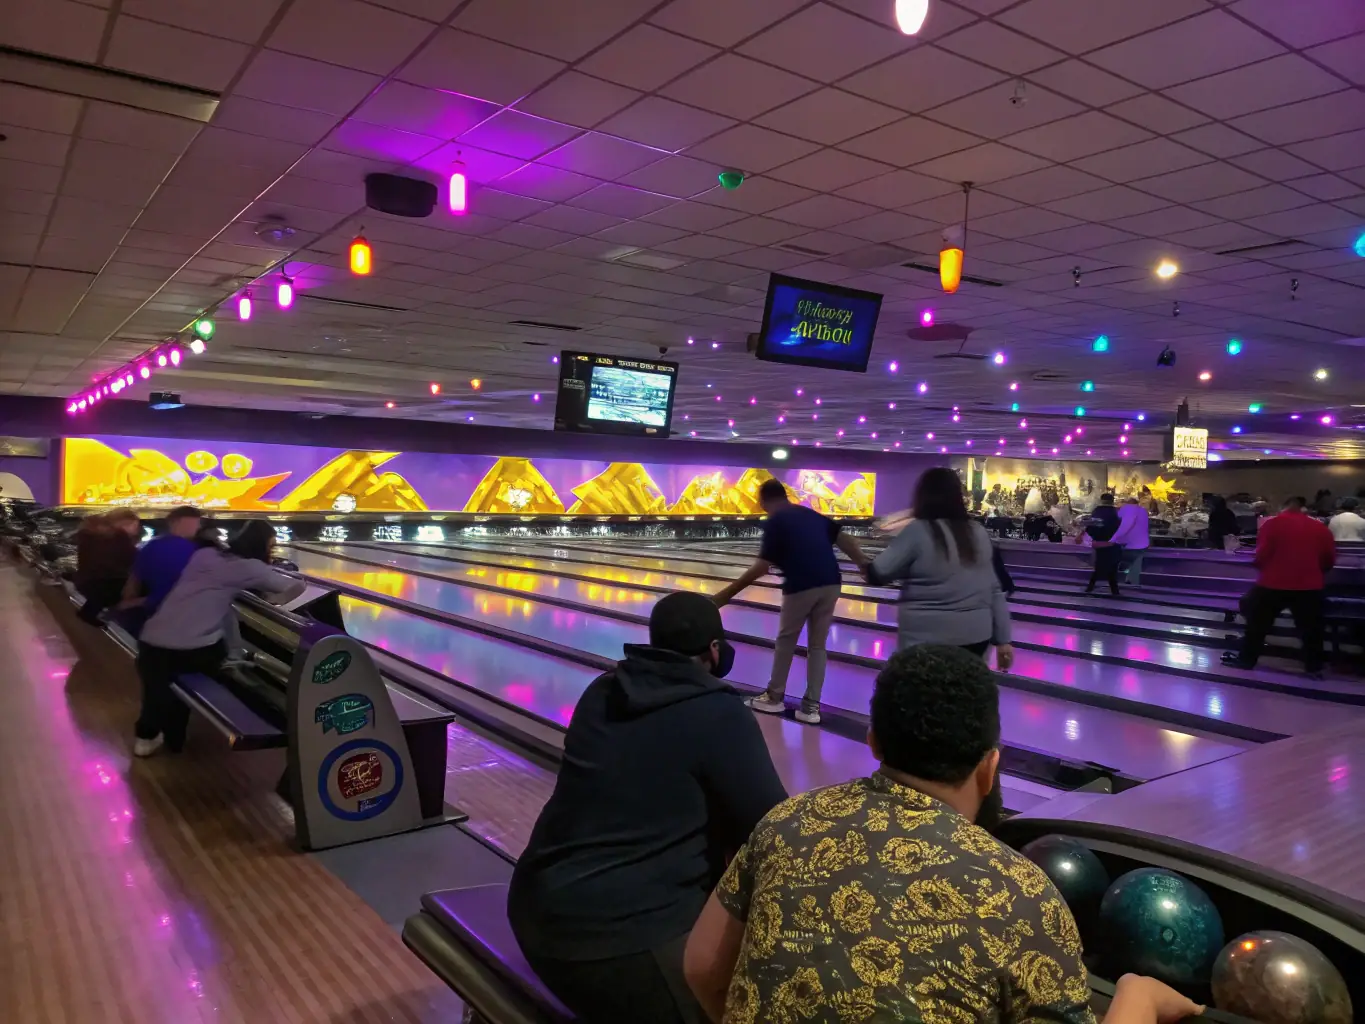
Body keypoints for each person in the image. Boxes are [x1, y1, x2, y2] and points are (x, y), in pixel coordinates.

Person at [683, 645, 1202, 1024]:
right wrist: (1137, 998)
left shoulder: (791, 820)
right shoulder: (1018, 895)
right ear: (989, 767)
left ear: (872, 741)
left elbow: (703, 968)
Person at [509, 592, 786, 1024]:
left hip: (532, 909)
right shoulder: (718, 711)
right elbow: (773, 826)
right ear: (715, 651)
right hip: (618, 946)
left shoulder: (602, 690)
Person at [133, 519, 304, 757]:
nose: (272, 550)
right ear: (261, 545)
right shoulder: (251, 568)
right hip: (192, 651)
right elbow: (297, 586)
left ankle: (147, 737)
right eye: (271, 545)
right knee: (229, 661)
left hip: (150, 640)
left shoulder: (205, 555)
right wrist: (273, 602)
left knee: (158, 690)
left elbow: (213, 585)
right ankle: (269, 713)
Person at [711, 480, 868, 725]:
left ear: (763, 500)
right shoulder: (808, 513)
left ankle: (773, 697)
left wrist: (725, 595)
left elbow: (762, 566)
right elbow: (845, 539)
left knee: (786, 640)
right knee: (818, 645)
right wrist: (863, 563)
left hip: (802, 583)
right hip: (831, 582)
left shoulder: (776, 520)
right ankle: (811, 707)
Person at [865, 467, 1013, 669]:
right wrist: (1004, 640)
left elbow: (877, 573)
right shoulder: (977, 532)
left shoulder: (917, 531)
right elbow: (994, 589)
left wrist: (857, 555)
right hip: (976, 638)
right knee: (965, 698)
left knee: (925, 698)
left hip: (925, 641)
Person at [1222, 496, 1336, 679]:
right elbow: (1328, 558)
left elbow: (1262, 554)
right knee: (1311, 629)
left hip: (1274, 582)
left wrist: (1261, 566)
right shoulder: (1320, 527)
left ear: (1284, 507)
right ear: (1303, 508)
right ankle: (1314, 667)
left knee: (1257, 624)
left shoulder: (1272, 524)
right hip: (1309, 584)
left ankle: (1246, 660)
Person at [119, 505, 203, 631]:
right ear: (176, 523)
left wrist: (128, 603)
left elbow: (133, 581)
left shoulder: (151, 546)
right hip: (183, 617)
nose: (198, 527)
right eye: (195, 523)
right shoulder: (196, 551)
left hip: (154, 614)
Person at [73, 509, 140, 624]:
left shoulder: (94, 535)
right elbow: (133, 559)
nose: (137, 529)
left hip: (86, 581)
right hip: (102, 584)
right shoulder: (119, 538)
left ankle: (90, 612)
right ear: (126, 523)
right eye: (135, 525)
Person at [1085, 493, 1122, 596]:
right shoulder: (1116, 512)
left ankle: (1090, 587)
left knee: (1100, 565)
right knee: (1113, 566)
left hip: (1101, 543)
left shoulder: (1097, 511)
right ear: (1112, 500)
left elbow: (1092, 527)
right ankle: (1114, 590)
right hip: (1114, 543)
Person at [1111, 496, 1151, 587]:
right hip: (1142, 544)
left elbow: (1126, 525)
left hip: (1130, 544)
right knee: (1135, 565)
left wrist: (1114, 538)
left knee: (1121, 564)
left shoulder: (1128, 510)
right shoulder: (1143, 511)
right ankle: (1131, 582)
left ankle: (1121, 584)